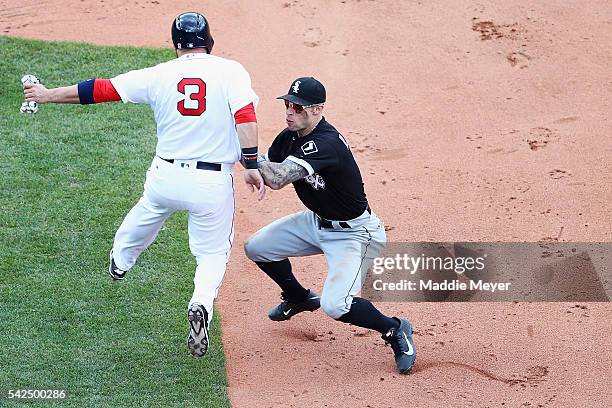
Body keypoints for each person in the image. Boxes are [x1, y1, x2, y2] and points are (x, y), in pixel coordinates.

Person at [23, 12, 265, 358]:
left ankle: (121, 261)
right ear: (208, 41)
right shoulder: (231, 71)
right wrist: (252, 164)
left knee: (148, 210)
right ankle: (200, 304)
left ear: (175, 44)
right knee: (211, 253)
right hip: (211, 181)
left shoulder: (158, 74)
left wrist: (45, 95)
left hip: (166, 176)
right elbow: (245, 118)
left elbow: (100, 90)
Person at [244, 77, 416, 374]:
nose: (289, 112)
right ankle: (298, 297)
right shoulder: (289, 136)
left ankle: (395, 329)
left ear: (317, 109)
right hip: (316, 221)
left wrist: (243, 155)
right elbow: (268, 168)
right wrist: (254, 165)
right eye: (287, 104)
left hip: (354, 233)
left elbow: (277, 177)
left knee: (336, 306)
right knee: (257, 247)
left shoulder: (326, 143)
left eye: (297, 107)